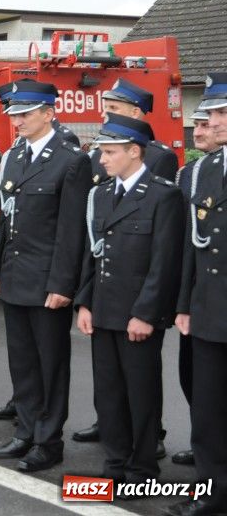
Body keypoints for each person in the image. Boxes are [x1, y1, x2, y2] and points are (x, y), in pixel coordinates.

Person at [0, 80, 92, 472]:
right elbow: (7, 220)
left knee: (50, 365)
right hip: (15, 276)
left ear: (48, 113)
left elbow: (71, 231)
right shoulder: (13, 158)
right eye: (14, 114)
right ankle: (25, 432)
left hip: (48, 282)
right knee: (23, 363)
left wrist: (63, 285)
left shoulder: (71, 160)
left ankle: (48, 442)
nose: (17, 121)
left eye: (25, 114)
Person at [74, 113, 183, 487]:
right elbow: (94, 253)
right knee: (109, 395)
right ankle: (116, 462)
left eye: (109, 152)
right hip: (104, 310)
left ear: (134, 152)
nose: (101, 159)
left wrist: (146, 314)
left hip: (137, 315)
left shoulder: (163, 195)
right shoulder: (102, 193)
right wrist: (85, 303)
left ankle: (142, 468)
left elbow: (164, 263)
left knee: (141, 396)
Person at [170, 73, 227, 516]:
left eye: (223, 113)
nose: (214, 121)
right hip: (209, 309)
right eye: (212, 113)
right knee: (208, 410)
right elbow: (194, 243)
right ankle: (213, 492)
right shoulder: (203, 169)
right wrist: (185, 305)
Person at [168, 107, 217, 469]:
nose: (199, 131)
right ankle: (207, 453)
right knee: (196, 380)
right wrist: (182, 300)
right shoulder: (193, 173)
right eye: (198, 123)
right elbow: (186, 242)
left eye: (208, 121)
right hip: (201, 297)